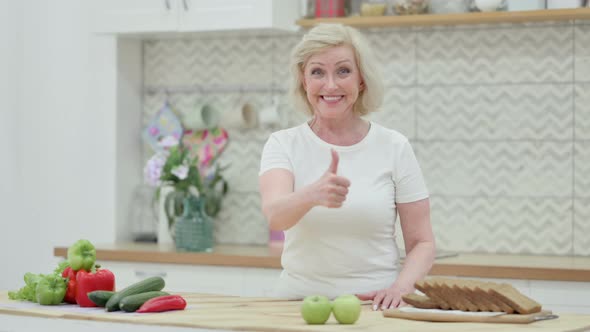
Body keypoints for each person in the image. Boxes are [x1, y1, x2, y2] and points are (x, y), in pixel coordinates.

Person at [258, 23, 435, 311]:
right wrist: (311, 195)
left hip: (377, 306)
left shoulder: (394, 146)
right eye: (317, 72)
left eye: (343, 71)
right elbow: (275, 216)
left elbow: (422, 242)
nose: (330, 85)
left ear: (361, 80)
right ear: (304, 80)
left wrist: (400, 289)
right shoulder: (282, 144)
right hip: (296, 306)